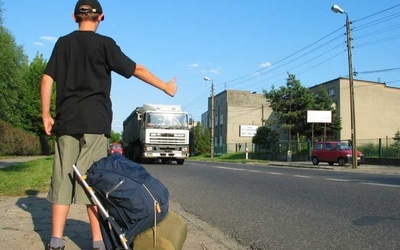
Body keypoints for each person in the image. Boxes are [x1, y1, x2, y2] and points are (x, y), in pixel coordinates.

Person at [40, 0, 177, 249]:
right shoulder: (105, 45)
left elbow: (47, 78)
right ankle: (97, 243)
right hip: (96, 122)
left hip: (67, 121)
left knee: (62, 180)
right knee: (93, 181)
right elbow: (137, 69)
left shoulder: (63, 43)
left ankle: (56, 241)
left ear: (74, 17)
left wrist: (46, 114)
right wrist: (165, 87)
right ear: (101, 17)